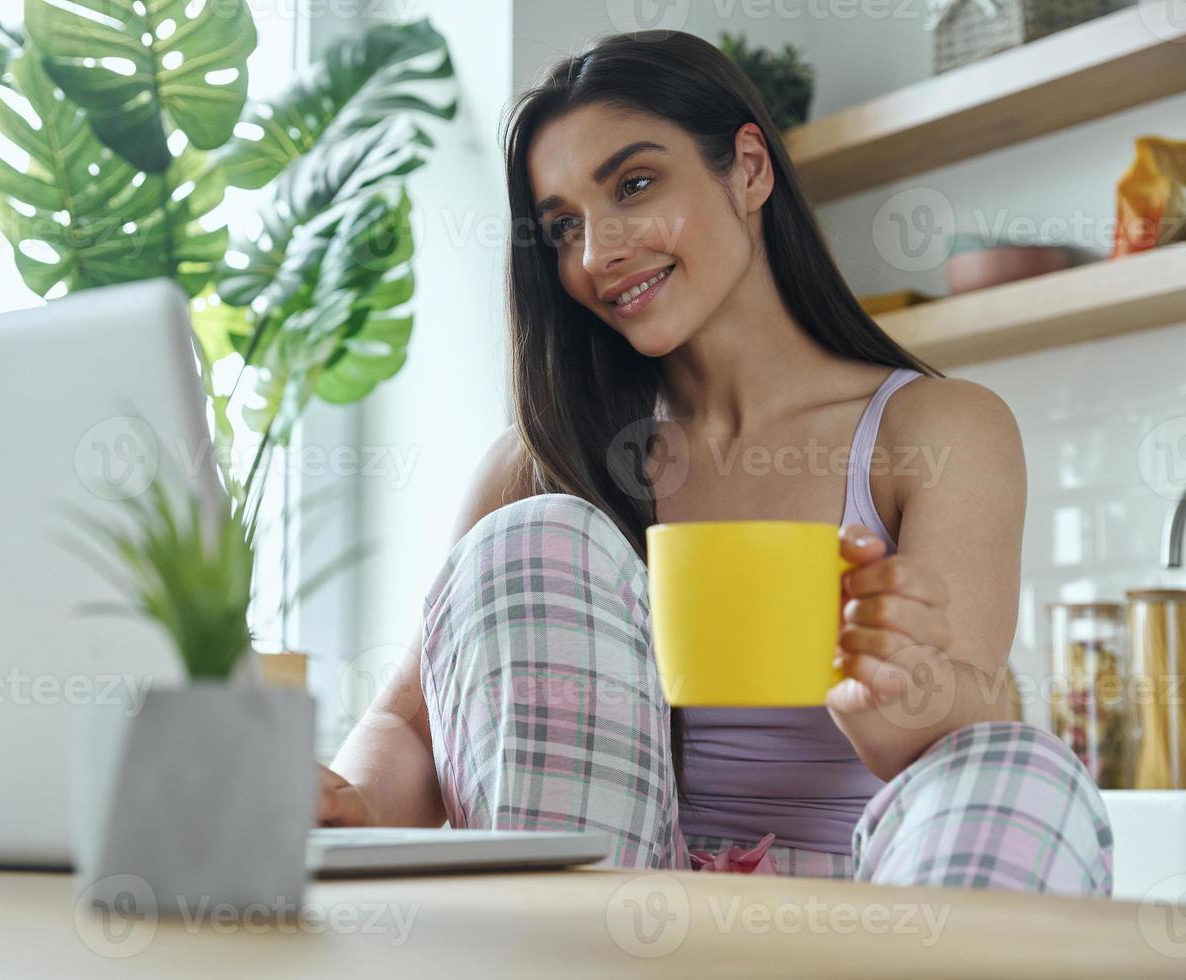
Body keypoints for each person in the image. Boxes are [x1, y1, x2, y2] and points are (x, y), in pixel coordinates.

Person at [317, 30, 1111, 895]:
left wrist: (900, 685)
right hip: (621, 919)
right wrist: (350, 800)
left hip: (860, 922)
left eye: (635, 184)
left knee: (1026, 767)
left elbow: (965, 732)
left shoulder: (937, 430)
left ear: (749, 169)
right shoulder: (543, 462)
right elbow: (407, 727)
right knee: (537, 535)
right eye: (564, 227)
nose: (598, 254)